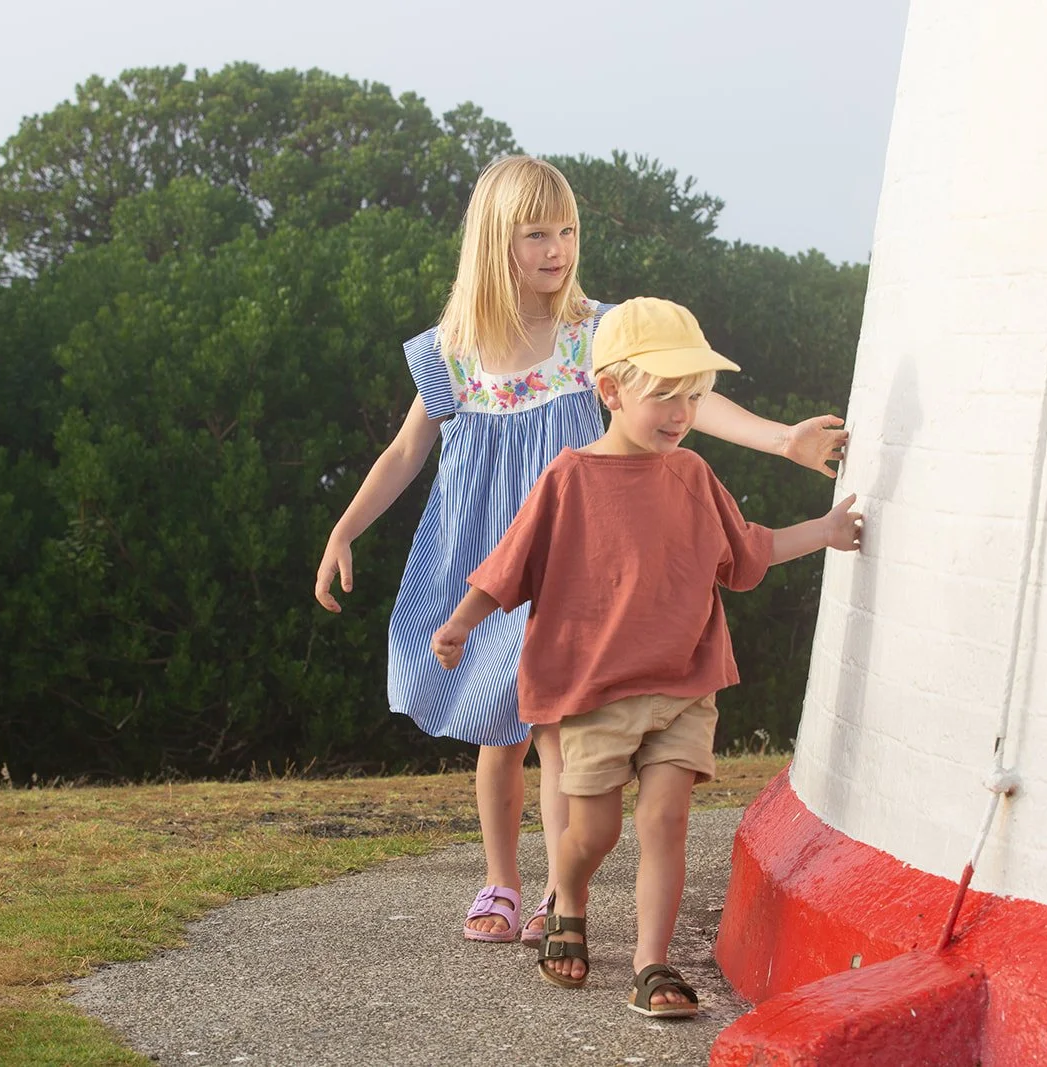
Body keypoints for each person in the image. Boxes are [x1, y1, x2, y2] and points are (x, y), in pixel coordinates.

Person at [314, 156, 849, 946]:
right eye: (536, 234)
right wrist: (343, 529)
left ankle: (561, 894)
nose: (556, 248)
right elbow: (404, 452)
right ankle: (501, 877)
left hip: (579, 563)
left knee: (560, 733)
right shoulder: (451, 352)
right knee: (500, 731)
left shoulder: (594, 335)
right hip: (492, 554)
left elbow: (688, 399)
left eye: (567, 230)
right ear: (495, 243)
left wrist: (782, 440)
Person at [431, 297, 864, 1016]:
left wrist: (826, 529)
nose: (680, 412)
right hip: (595, 690)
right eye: (664, 394)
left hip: (686, 683)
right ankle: (568, 897)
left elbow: (748, 550)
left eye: (690, 396)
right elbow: (507, 566)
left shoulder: (692, 475)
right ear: (611, 390)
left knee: (665, 820)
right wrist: (459, 624)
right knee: (592, 831)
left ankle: (651, 964)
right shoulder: (568, 478)